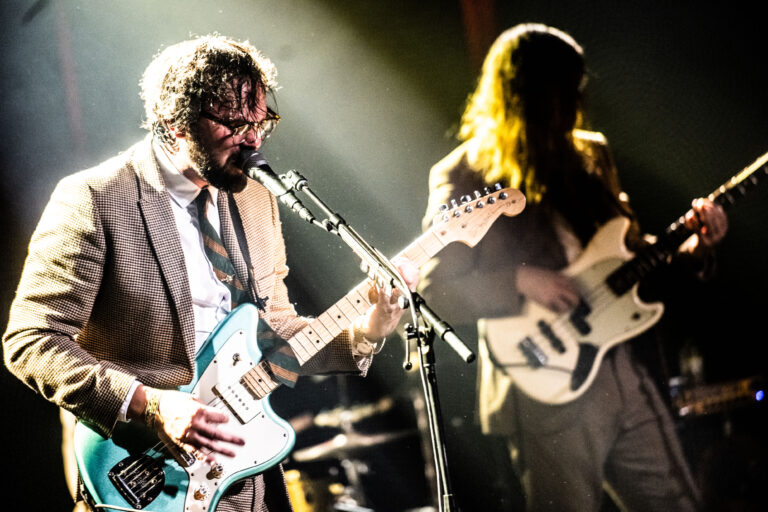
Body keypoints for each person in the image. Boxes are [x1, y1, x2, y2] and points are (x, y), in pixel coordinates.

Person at [3, 35, 417, 512]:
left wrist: (365, 331)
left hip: (245, 478)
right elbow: (31, 341)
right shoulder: (96, 198)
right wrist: (151, 406)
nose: (253, 140)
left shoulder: (257, 200)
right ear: (175, 121)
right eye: (234, 123)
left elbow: (277, 331)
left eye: (261, 122)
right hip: (143, 472)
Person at [419, 24, 728, 511]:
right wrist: (519, 281)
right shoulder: (464, 175)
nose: (574, 106)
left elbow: (628, 256)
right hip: (542, 385)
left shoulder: (590, 153)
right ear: (526, 96)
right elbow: (433, 290)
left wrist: (696, 246)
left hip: (623, 367)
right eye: (562, 93)